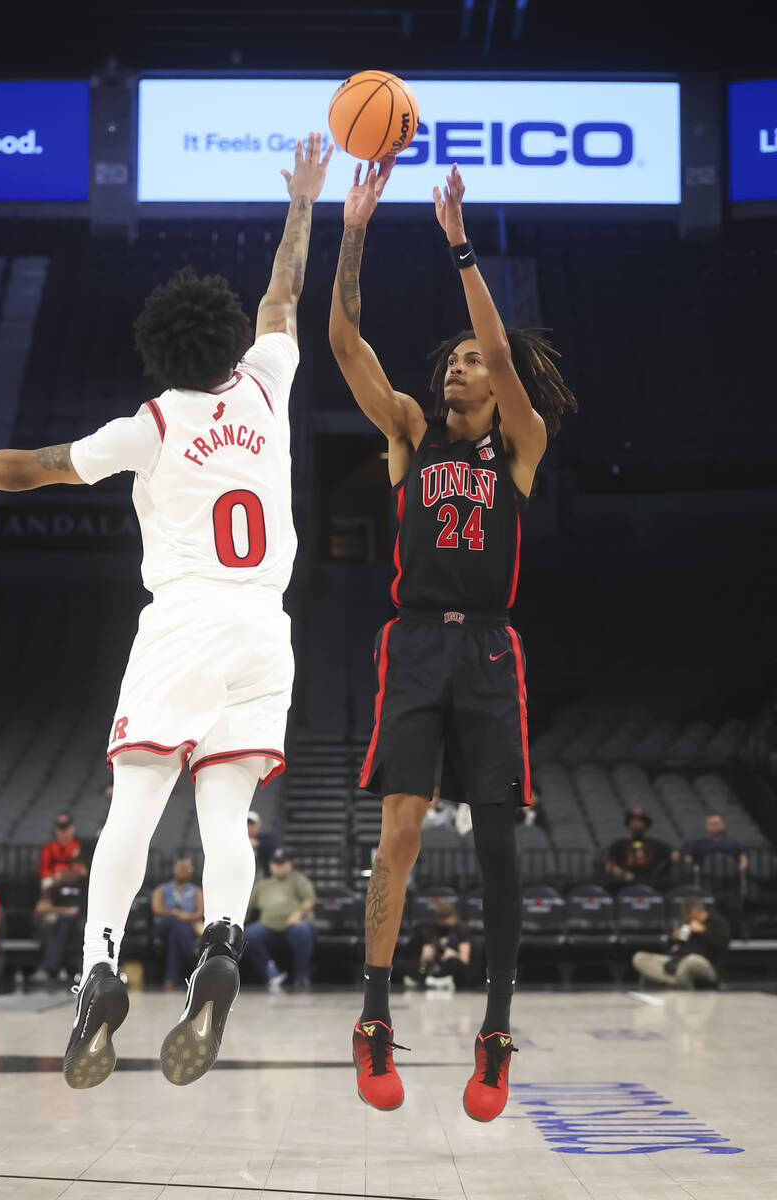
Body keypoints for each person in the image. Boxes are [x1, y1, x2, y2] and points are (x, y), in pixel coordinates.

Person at [0, 132, 332, 1091]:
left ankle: (98, 969)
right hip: (267, 630)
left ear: (161, 350)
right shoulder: (270, 384)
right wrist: (302, 202)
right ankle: (221, 947)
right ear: (229, 340)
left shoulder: (151, 423)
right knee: (228, 810)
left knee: (137, 803)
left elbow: (27, 470)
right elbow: (284, 292)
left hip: (185, 620)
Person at [329, 160, 576, 1117]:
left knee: (499, 848)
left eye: (466, 360)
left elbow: (506, 357)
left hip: (491, 652)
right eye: (452, 363)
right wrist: (354, 227)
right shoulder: (409, 435)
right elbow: (345, 341)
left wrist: (457, 240)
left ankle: (497, 1032)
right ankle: (375, 1019)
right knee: (398, 830)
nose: (456, 367)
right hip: (416, 641)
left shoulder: (519, 442)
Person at [243, 849, 316, 990]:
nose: (279, 866)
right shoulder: (262, 885)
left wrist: (298, 913)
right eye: (276, 863)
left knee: (302, 930)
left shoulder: (298, 880)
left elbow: (309, 900)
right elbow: (247, 907)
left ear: (289, 864)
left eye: (282, 863)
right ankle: (271, 974)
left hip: (292, 925)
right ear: (271, 865)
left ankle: (301, 976)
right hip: (268, 925)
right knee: (249, 934)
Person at [632, 895, 730, 988]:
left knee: (691, 960)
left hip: (705, 964)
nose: (687, 918)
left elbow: (721, 946)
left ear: (696, 911)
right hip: (679, 962)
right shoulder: (685, 925)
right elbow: (676, 949)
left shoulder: (717, 923)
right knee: (640, 957)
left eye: (688, 915)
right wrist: (673, 940)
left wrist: (703, 932)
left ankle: (670, 981)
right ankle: (676, 981)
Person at [394, 900, 478, 992]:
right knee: (409, 964)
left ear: (453, 917)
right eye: (442, 919)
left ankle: (434, 980)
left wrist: (453, 954)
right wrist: (426, 954)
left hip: (451, 964)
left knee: (455, 963)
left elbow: (464, 959)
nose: (444, 922)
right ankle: (428, 979)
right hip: (435, 964)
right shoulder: (433, 929)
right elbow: (425, 954)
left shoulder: (461, 930)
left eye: (447, 918)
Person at [151, 857, 204, 990]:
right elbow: (156, 909)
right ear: (175, 870)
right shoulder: (162, 889)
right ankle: (191, 955)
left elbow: (200, 912)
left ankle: (171, 979)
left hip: (187, 926)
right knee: (175, 922)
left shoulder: (196, 891)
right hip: (164, 924)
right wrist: (175, 913)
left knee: (175, 935)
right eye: (181, 868)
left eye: (187, 868)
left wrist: (187, 916)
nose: (183, 871)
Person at [30, 864, 87, 985]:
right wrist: (67, 911)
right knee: (58, 925)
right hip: (61, 921)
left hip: (82, 920)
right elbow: (41, 907)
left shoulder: (85, 886)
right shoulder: (55, 887)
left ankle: (86, 970)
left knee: (85, 928)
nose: (70, 873)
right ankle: (47, 968)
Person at [605, 808, 672, 888]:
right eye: (634, 821)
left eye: (640, 822)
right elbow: (609, 866)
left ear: (646, 825)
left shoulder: (657, 845)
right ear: (628, 824)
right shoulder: (618, 844)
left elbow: (675, 856)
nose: (637, 825)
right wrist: (623, 874)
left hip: (652, 885)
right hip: (623, 885)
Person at [679, 814, 748, 874]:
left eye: (717, 823)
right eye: (712, 823)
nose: (715, 825)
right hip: (705, 878)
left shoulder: (733, 843)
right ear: (707, 827)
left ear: (723, 825)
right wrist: (694, 867)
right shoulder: (698, 844)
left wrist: (741, 868)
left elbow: (743, 858)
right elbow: (688, 858)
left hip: (731, 878)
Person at [40, 815, 86, 892]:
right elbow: (44, 870)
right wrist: (53, 876)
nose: (63, 833)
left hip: (75, 882)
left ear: (72, 829)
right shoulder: (49, 848)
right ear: (56, 831)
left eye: (66, 829)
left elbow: (83, 870)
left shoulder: (80, 846)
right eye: (61, 830)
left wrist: (64, 875)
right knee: (46, 884)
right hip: (54, 882)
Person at [247, 809, 279, 876]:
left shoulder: (265, 838)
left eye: (252, 824)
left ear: (258, 825)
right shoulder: (237, 840)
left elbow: (273, 843)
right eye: (247, 824)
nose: (249, 827)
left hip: (261, 875)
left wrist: (257, 843)